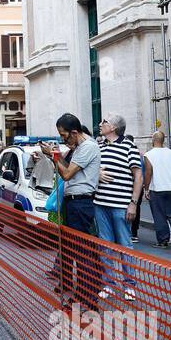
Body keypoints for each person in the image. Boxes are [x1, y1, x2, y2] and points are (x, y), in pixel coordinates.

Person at [39, 114, 102, 305]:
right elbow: (66, 169)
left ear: (74, 132)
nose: (63, 139)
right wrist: (54, 157)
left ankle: (87, 298)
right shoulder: (80, 148)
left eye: (64, 135)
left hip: (81, 204)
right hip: (73, 203)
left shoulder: (88, 147)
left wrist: (53, 155)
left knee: (82, 254)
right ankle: (82, 295)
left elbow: (66, 174)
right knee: (76, 251)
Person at [94, 114, 142, 301]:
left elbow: (138, 176)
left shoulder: (129, 146)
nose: (100, 124)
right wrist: (97, 172)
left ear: (113, 127)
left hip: (121, 205)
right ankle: (109, 284)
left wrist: (134, 203)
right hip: (100, 204)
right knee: (105, 246)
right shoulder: (99, 146)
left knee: (125, 245)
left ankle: (129, 285)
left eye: (104, 121)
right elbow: (91, 167)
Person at [144, 131, 171, 248]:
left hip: (157, 188)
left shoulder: (149, 154)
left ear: (153, 139)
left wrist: (146, 189)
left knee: (159, 215)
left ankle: (163, 240)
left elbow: (148, 173)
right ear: (163, 140)